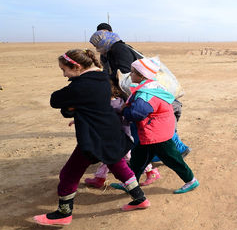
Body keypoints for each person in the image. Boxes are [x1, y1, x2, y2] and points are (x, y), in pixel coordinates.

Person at [32, 49, 149, 226]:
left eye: (65, 70)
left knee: (69, 174)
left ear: (77, 66)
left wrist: (71, 108)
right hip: (111, 131)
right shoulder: (103, 77)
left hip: (94, 137)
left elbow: (55, 100)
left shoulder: (81, 85)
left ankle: (64, 213)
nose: (64, 75)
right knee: (119, 166)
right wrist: (73, 108)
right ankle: (140, 198)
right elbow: (79, 105)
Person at [90, 26, 191, 158]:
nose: (97, 48)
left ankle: (174, 150)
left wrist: (106, 78)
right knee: (156, 122)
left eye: (97, 44)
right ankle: (171, 150)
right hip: (145, 91)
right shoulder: (113, 50)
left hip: (144, 91)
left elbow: (124, 72)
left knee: (154, 122)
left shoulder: (118, 50)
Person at [113, 58, 199, 194]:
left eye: (132, 72)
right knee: (137, 161)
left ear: (141, 75)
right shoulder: (149, 87)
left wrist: (124, 110)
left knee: (173, 159)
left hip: (157, 135)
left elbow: (137, 113)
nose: (130, 75)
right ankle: (129, 184)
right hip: (148, 133)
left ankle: (191, 180)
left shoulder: (147, 93)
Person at [83, 83, 160, 188]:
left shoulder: (110, 107)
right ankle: (99, 178)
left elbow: (99, 119)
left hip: (120, 139)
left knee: (129, 157)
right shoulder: (119, 101)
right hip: (119, 138)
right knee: (108, 158)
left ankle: (150, 172)